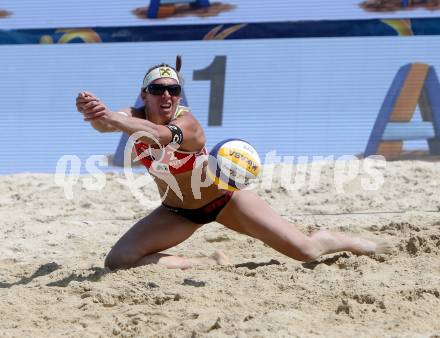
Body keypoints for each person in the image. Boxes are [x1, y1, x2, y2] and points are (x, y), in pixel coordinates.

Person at [76, 59, 389, 270]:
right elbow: (105, 127)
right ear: (145, 94)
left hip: (225, 200)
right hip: (177, 212)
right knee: (118, 261)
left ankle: (335, 239)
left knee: (305, 252)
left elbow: (158, 135)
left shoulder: (189, 125)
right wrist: (93, 113)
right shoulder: (131, 116)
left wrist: (111, 117)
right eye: (158, 89)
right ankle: (208, 262)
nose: (167, 95)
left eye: (174, 89)